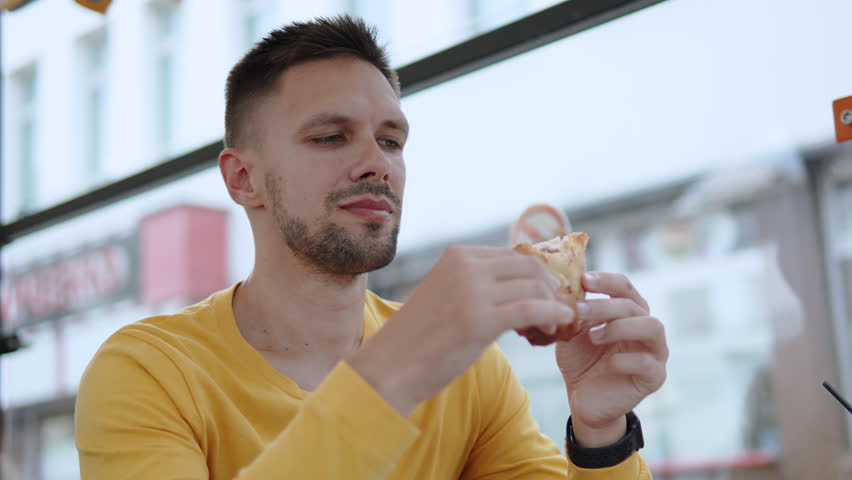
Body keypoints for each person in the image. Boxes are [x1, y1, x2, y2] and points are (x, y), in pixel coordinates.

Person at [76, 15, 667, 479]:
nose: (377, 165)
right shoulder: (148, 373)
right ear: (242, 179)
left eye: (391, 140)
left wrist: (601, 433)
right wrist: (396, 369)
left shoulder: (473, 375)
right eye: (331, 137)